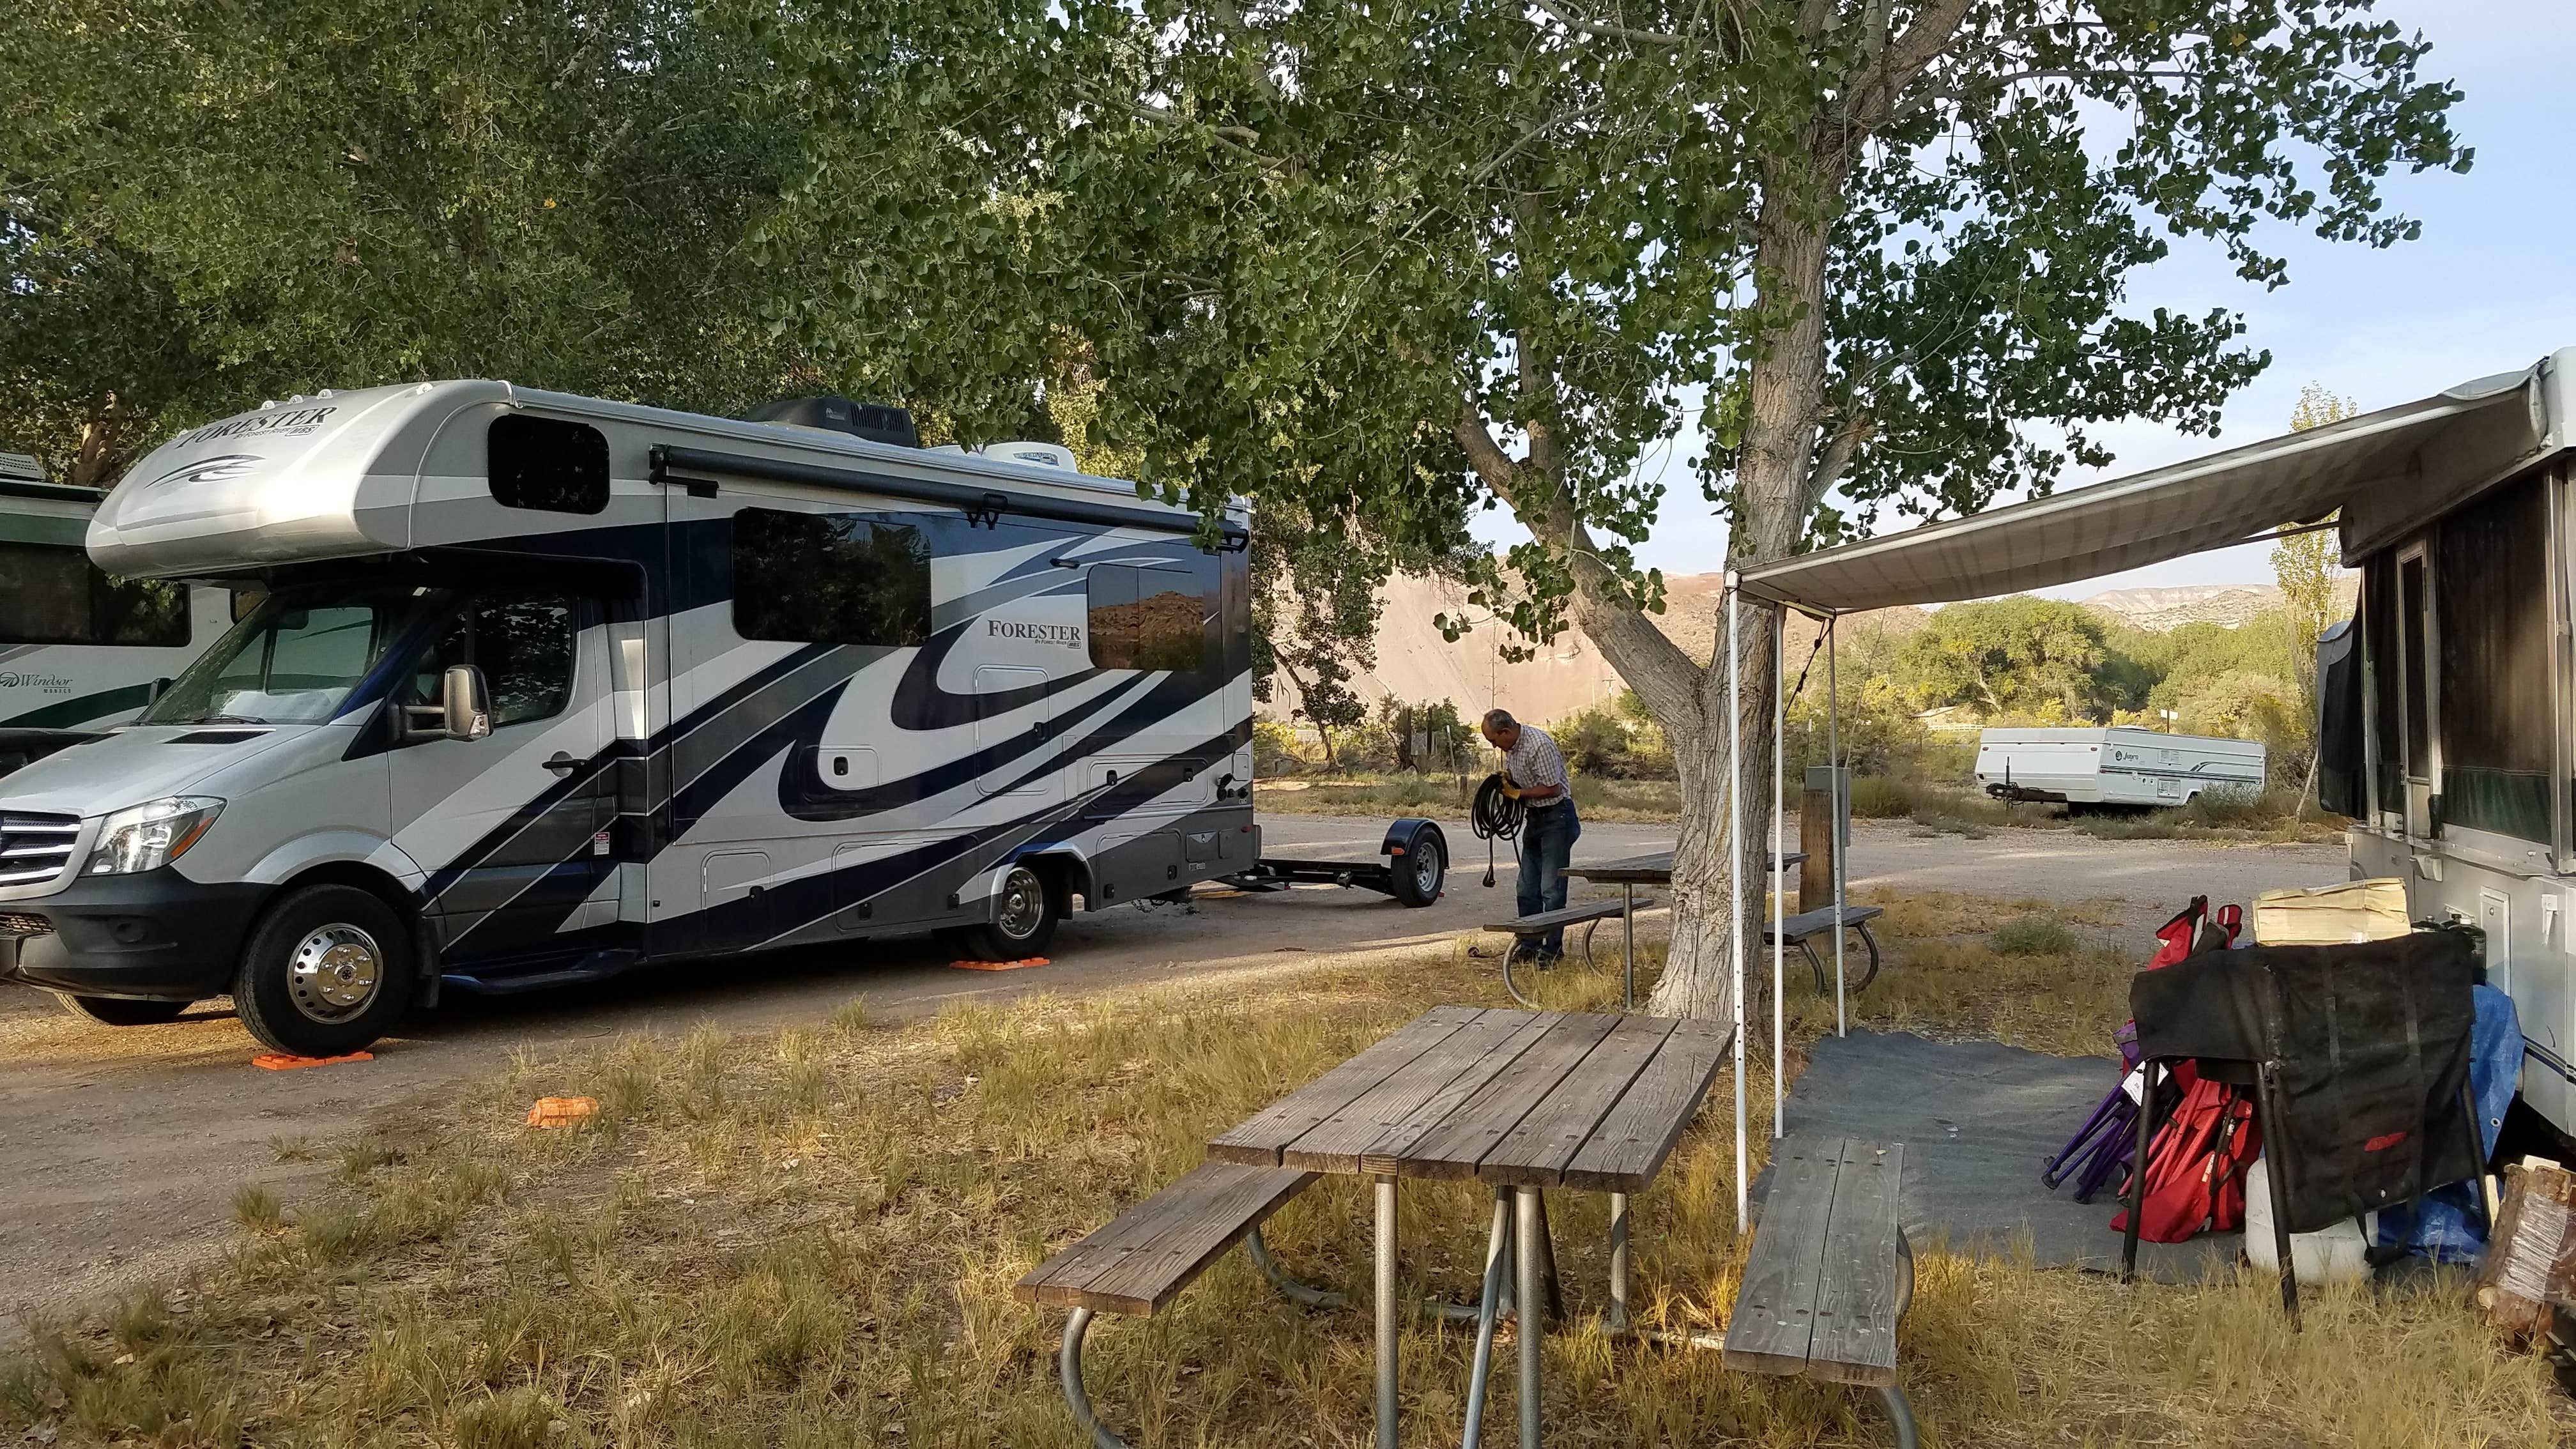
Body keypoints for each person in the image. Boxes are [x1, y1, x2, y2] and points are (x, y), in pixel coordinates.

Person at [1480, 708, 1581, 963]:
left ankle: (1552, 951)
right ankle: (1529, 946)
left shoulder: (1539, 745)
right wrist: (1510, 781)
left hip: (1557, 818)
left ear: (1505, 731)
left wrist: (1518, 794)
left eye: (1494, 740)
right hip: (1535, 819)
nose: (1494, 746)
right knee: (1526, 888)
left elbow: (1552, 788)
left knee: (1552, 889)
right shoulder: (1513, 748)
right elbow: (1531, 779)